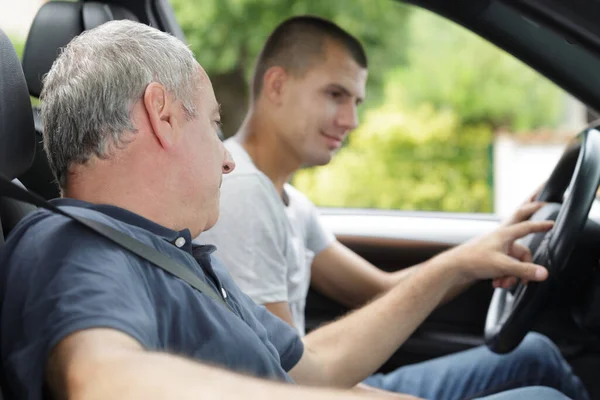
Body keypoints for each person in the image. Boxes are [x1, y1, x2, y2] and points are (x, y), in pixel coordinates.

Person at [0, 19, 576, 400]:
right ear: (163, 114)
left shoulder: (185, 256)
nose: (228, 161)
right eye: (213, 122)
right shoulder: (69, 243)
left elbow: (316, 369)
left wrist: (456, 265)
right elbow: (104, 379)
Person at [196, 15, 590, 400]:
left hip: (329, 383)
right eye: (335, 94)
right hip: (309, 389)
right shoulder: (242, 192)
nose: (351, 120)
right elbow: (284, 380)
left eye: (357, 101)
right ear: (277, 85)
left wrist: (479, 254)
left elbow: (378, 289)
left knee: (535, 353)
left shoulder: (290, 202)